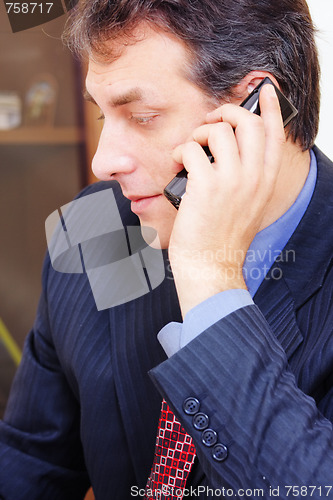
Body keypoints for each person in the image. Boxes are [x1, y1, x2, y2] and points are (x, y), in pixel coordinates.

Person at [1, 0, 333, 498]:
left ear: (256, 111)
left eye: (142, 115)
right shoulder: (94, 227)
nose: (102, 162)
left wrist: (210, 281)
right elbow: (31, 460)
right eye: (102, 113)